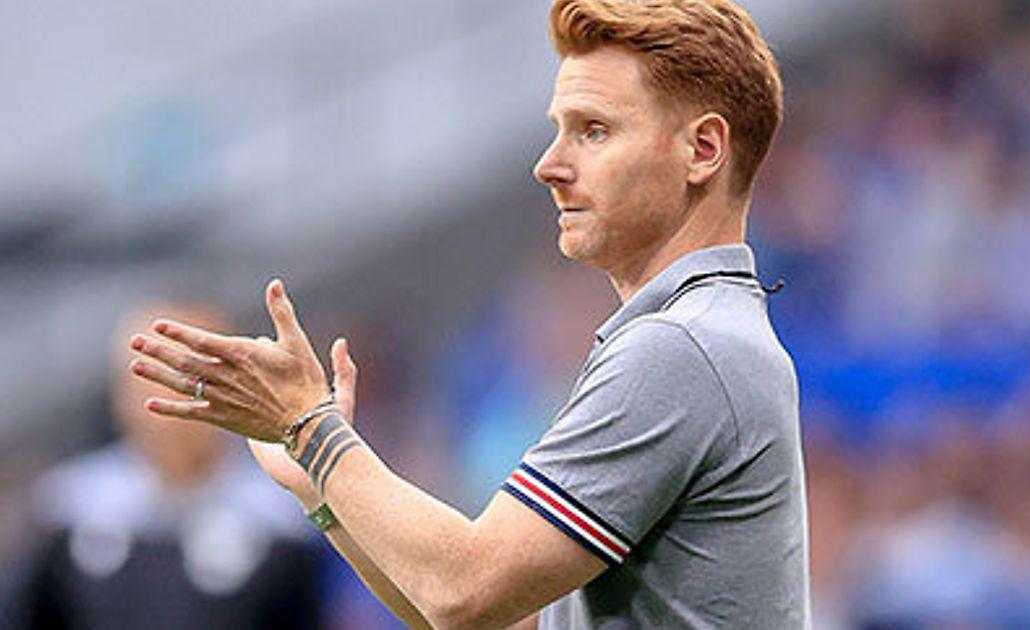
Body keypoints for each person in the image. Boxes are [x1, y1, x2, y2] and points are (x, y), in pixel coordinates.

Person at [127, 1, 810, 627]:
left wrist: (309, 426)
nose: (549, 165)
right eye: (560, 131)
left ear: (703, 150)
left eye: (594, 131)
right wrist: (325, 488)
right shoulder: (702, 338)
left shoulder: (679, 350)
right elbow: (488, 616)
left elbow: (465, 590)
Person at [8, 302, 324, 630]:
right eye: (147, 380)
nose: (170, 406)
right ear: (119, 395)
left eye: (194, 382)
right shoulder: (69, 508)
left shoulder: (286, 515)